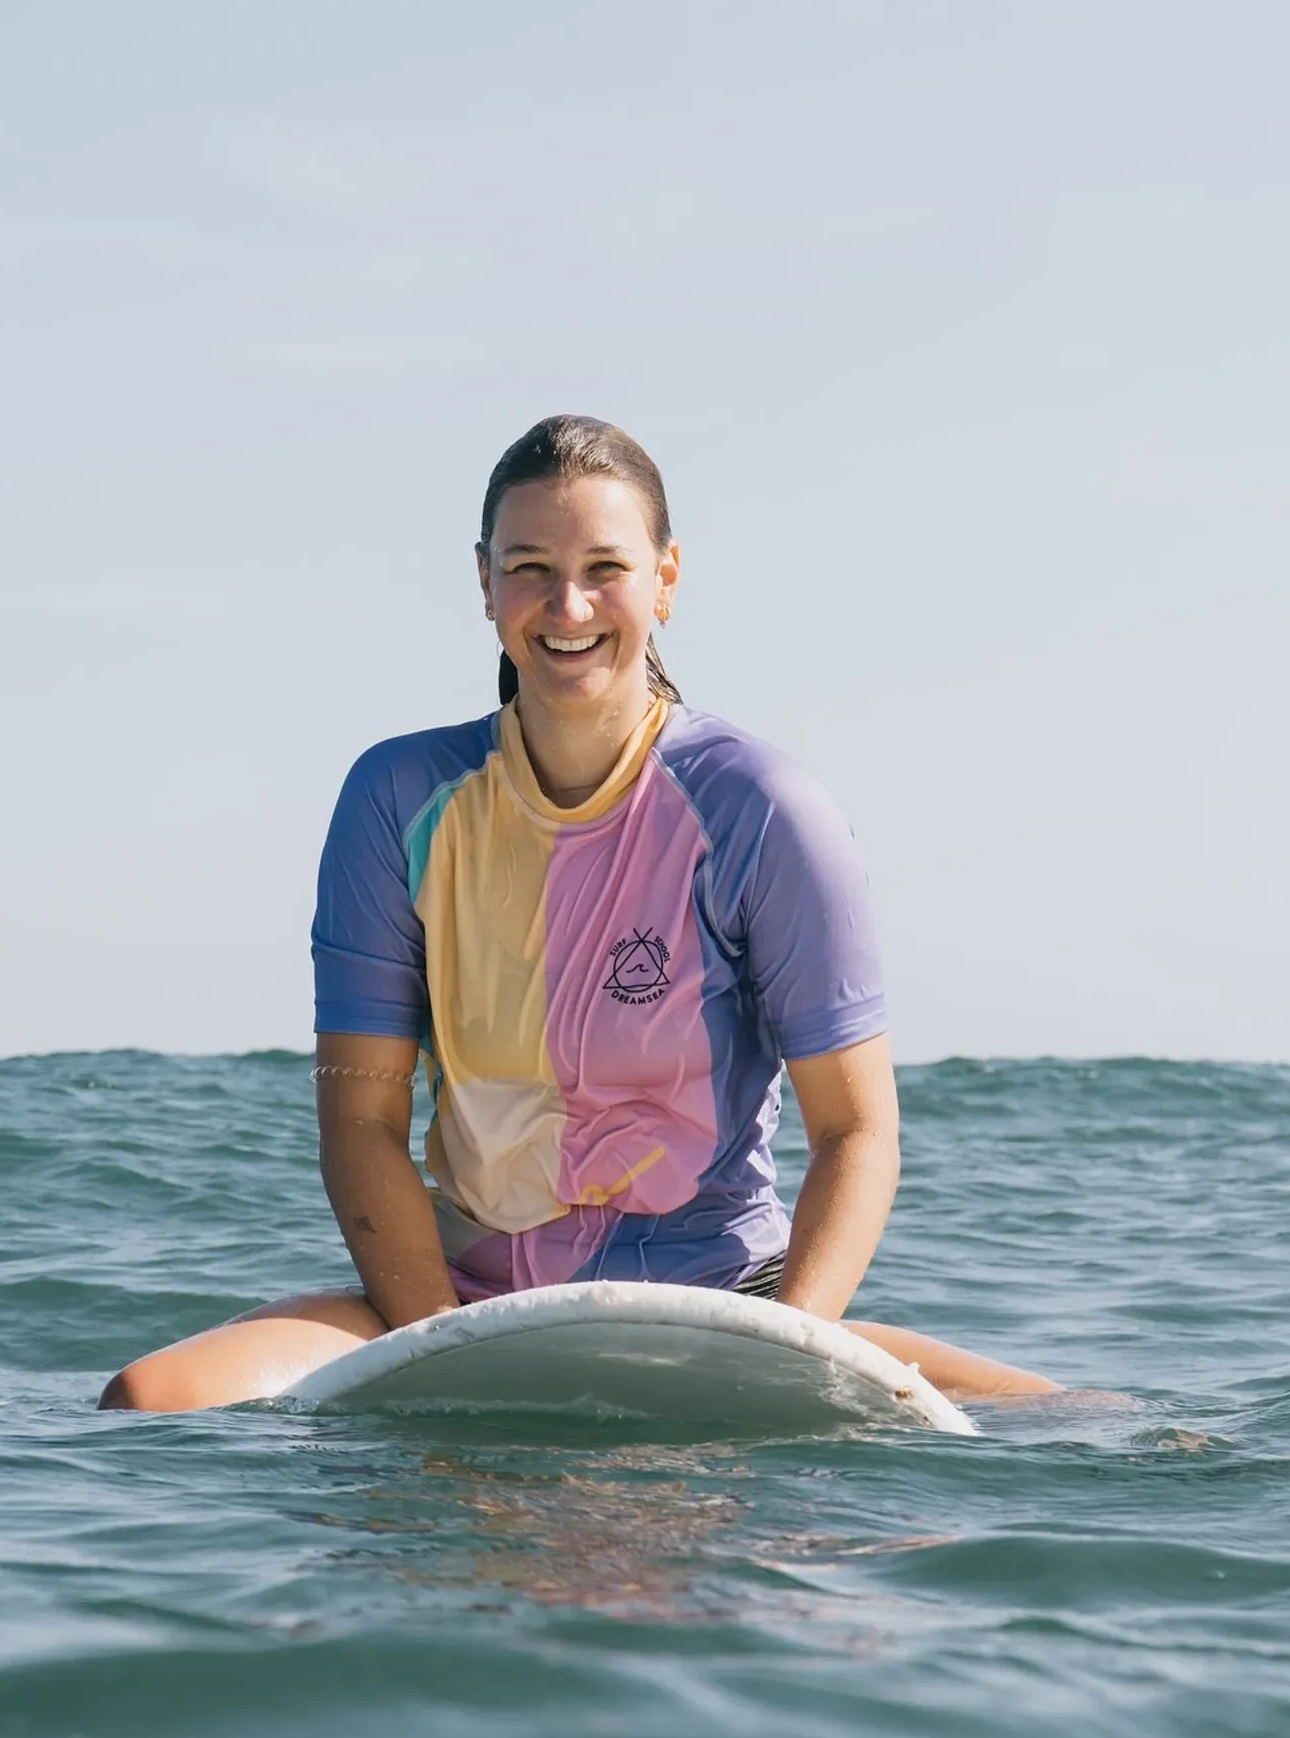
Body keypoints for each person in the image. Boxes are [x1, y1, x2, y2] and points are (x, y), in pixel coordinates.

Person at [99, 416, 1058, 1411]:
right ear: (483, 583)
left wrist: (790, 1350)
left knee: (1076, 1429)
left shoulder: (764, 811)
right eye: (529, 566)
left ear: (667, 580)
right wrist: (448, 1347)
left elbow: (857, 1129)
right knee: (149, 1399)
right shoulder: (397, 799)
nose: (568, 605)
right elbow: (362, 1121)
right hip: (457, 1298)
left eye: (606, 566)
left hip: (726, 1303)